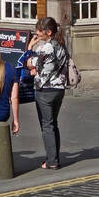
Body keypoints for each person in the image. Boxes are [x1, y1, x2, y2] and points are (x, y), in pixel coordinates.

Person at [26, 16, 68, 170]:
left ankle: (52, 161)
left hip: (45, 91)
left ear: (48, 32)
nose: (37, 33)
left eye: (40, 31)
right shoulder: (61, 45)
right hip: (59, 89)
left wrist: (31, 47)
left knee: (47, 125)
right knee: (53, 124)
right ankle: (53, 157)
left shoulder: (46, 48)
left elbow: (30, 63)